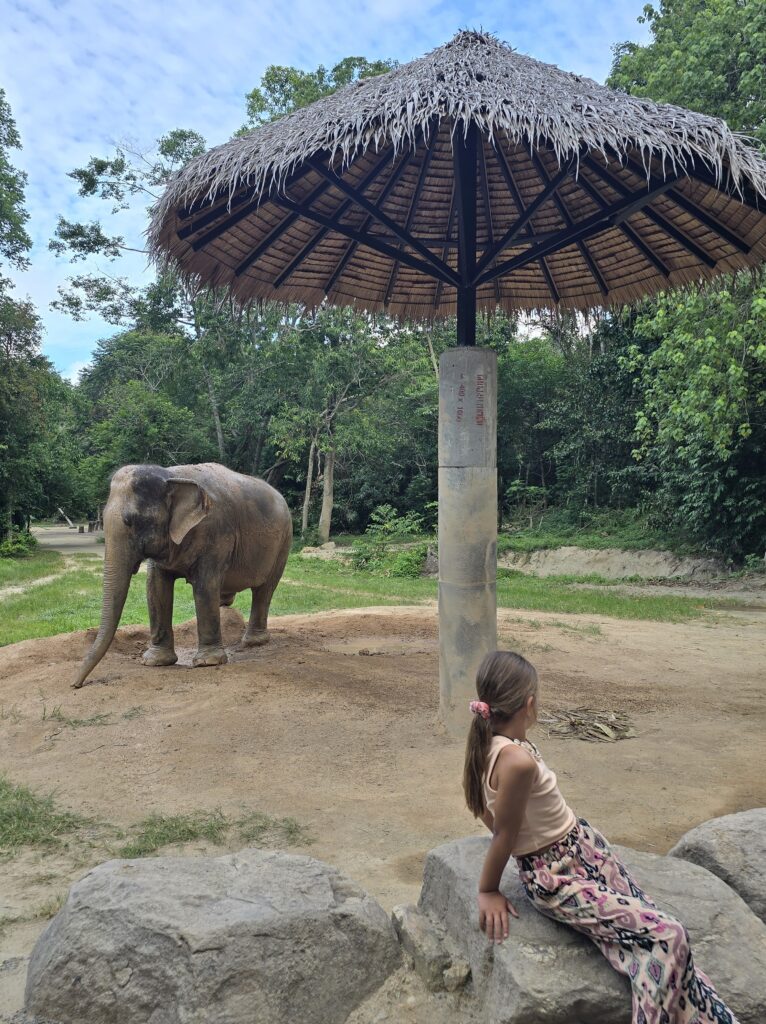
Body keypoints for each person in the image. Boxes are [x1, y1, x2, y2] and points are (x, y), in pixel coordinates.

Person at [463, 649, 739, 1024]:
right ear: (529, 704)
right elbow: (504, 834)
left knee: (648, 932)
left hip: (583, 852)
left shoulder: (489, 742)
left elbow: (481, 806)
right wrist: (488, 889)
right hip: (558, 876)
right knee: (667, 937)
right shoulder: (517, 761)